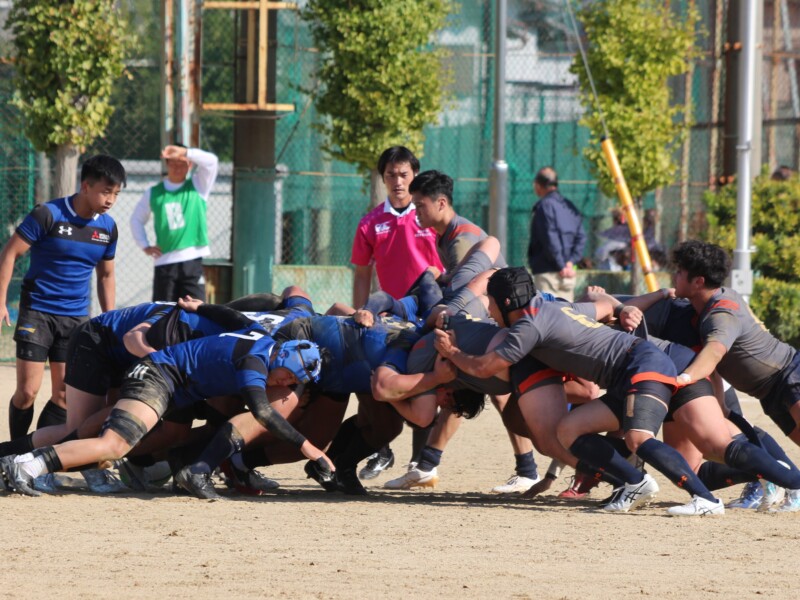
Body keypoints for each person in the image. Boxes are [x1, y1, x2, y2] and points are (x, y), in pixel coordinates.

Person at [434, 267, 726, 516]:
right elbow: (604, 306)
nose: (488, 308)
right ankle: (634, 483)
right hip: (628, 372)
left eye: (491, 301)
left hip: (641, 365)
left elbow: (485, 367)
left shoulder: (527, 327)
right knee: (569, 429)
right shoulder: (551, 307)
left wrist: (453, 351)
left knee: (641, 439)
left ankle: (706, 499)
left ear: (506, 301)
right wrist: (625, 308)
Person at [0, 322, 333, 499]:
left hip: (172, 384)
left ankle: (23, 463)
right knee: (113, 444)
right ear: (284, 360)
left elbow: (232, 320)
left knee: (125, 438)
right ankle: (24, 465)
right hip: (159, 376)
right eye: (290, 378)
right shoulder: (255, 361)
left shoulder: (260, 342)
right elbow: (262, 412)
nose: (287, 386)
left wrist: (203, 305)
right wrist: (311, 449)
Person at [0, 155, 125, 441]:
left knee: (64, 396)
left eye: (116, 193)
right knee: (27, 392)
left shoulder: (107, 229)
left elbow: (106, 276)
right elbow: (10, 253)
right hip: (37, 312)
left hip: (76, 318)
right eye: (106, 191)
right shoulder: (48, 214)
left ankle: (27, 454)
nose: (111, 200)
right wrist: (1, 301)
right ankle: (11, 451)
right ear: (85, 186)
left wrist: (110, 317)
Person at [670, 239, 800, 511]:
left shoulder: (721, 313)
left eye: (680, 272)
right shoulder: (705, 307)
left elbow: (714, 353)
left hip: (790, 375)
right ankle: (792, 486)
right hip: (770, 390)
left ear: (698, 281)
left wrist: (685, 377)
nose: (674, 276)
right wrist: (721, 407)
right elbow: (716, 367)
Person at [350, 146, 444, 479]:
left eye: (404, 174)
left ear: (414, 175)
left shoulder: (429, 218)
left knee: (422, 380)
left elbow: (443, 266)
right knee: (371, 375)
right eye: (391, 174)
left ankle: (419, 463)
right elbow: (362, 272)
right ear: (383, 178)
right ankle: (381, 450)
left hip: (426, 313)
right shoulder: (371, 222)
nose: (398, 181)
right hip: (388, 316)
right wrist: (364, 311)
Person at [130, 144, 219, 302]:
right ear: (167, 164)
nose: (177, 167)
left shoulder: (198, 186)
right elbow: (136, 220)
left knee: (196, 311)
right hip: (164, 263)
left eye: (182, 162)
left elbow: (212, 162)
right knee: (163, 313)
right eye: (173, 162)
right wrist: (145, 246)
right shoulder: (154, 192)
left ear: (190, 164)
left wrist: (185, 152)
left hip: (192, 262)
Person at [527, 167, 586, 301]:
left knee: (548, 316)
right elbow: (581, 236)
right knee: (568, 316)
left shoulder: (544, 206)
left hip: (548, 274)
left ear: (538, 185)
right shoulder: (569, 206)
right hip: (569, 274)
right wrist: (571, 262)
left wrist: (561, 265)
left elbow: (549, 238)